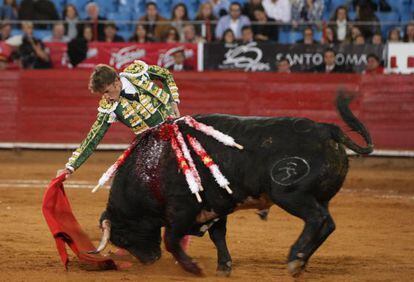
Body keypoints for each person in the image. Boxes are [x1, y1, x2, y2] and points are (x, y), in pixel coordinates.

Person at [58, 61, 181, 176]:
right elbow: (93, 137)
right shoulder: (109, 107)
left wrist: (173, 101)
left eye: (107, 91)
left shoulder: (136, 73)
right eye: (102, 93)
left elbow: (165, 74)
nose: (105, 97)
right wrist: (70, 167)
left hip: (176, 129)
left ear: (116, 82)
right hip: (152, 145)